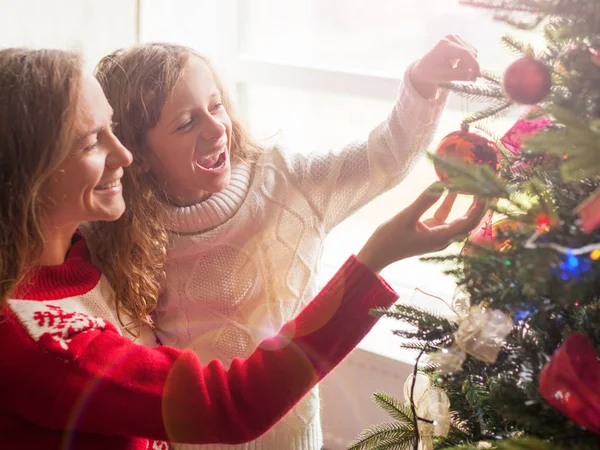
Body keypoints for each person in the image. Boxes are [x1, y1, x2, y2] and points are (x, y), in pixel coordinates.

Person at [0, 48, 485, 450]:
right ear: (28, 173)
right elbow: (225, 405)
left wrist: (422, 88)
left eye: (113, 130)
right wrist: (372, 261)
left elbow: (383, 156)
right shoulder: (42, 325)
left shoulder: (78, 252)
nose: (121, 155)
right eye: (92, 142)